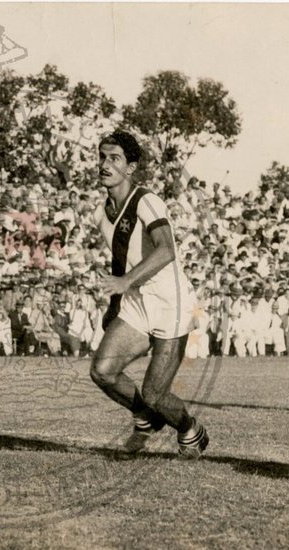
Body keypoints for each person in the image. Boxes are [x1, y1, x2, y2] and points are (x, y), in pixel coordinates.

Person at [86, 131, 208, 458]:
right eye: (101, 156)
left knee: (156, 395)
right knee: (102, 371)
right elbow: (119, 257)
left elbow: (167, 250)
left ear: (131, 167)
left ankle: (189, 429)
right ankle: (144, 420)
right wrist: (115, 303)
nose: (104, 164)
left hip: (171, 302)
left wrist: (125, 282)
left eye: (114, 159)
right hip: (137, 302)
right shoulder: (101, 213)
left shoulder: (146, 200)